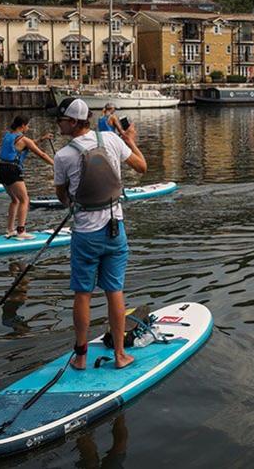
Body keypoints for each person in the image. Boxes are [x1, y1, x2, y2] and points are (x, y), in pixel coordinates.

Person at [53, 98, 147, 370]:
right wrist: (129, 140)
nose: (57, 123)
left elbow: (63, 199)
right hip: (115, 229)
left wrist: (74, 200)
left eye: (60, 119)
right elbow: (142, 167)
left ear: (72, 122)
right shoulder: (111, 139)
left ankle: (81, 357)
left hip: (85, 234)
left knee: (83, 293)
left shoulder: (63, 156)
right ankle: (120, 355)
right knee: (114, 291)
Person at [0, 115, 54, 240]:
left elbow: (26, 144)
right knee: (25, 200)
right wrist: (55, 165)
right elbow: (42, 154)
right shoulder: (24, 139)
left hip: (1, 169)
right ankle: (21, 231)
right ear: (22, 125)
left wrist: (42, 138)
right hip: (12, 170)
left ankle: (10, 230)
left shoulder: (8, 135)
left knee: (15, 200)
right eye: (27, 125)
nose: (28, 127)